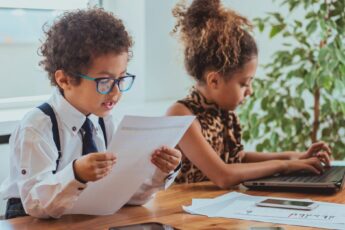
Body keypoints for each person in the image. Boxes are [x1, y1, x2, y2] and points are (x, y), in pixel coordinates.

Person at [0, 8, 181, 219]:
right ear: (64, 80)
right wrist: (76, 174)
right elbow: (35, 204)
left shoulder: (104, 121)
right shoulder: (37, 127)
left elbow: (124, 197)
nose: (116, 91)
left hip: (83, 219)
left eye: (121, 79)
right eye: (104, 81)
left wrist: (161, 172)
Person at [167, 0, 331, 188]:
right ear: (214, 81)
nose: (250, 91)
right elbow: (223, 174)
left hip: (214, 210)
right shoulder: (180, 115)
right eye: (244, 83)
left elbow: (239, 159)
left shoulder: (220, 113)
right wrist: (285, 165)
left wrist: (295, 156)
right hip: (181, 213)